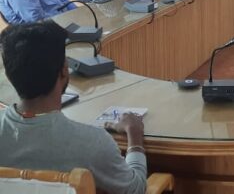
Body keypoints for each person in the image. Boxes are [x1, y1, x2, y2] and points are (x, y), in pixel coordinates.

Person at [0, 21, 147, 194]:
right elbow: (136, 189)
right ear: (64, 71)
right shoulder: (93, 143)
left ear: (9, 77)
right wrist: (135, 138)